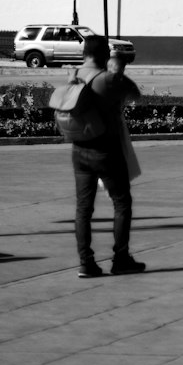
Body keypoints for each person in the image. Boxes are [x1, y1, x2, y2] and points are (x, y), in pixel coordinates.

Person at [71, 33, 145, 278]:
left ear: (84, 54)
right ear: (104, 54)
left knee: (83, 209)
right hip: (105, 151)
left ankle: (86, 263)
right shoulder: (107, 79)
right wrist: (117, 71)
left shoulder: (74, 76)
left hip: (79, 150)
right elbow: (136, 94)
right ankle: (120, 258)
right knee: (122, 203)